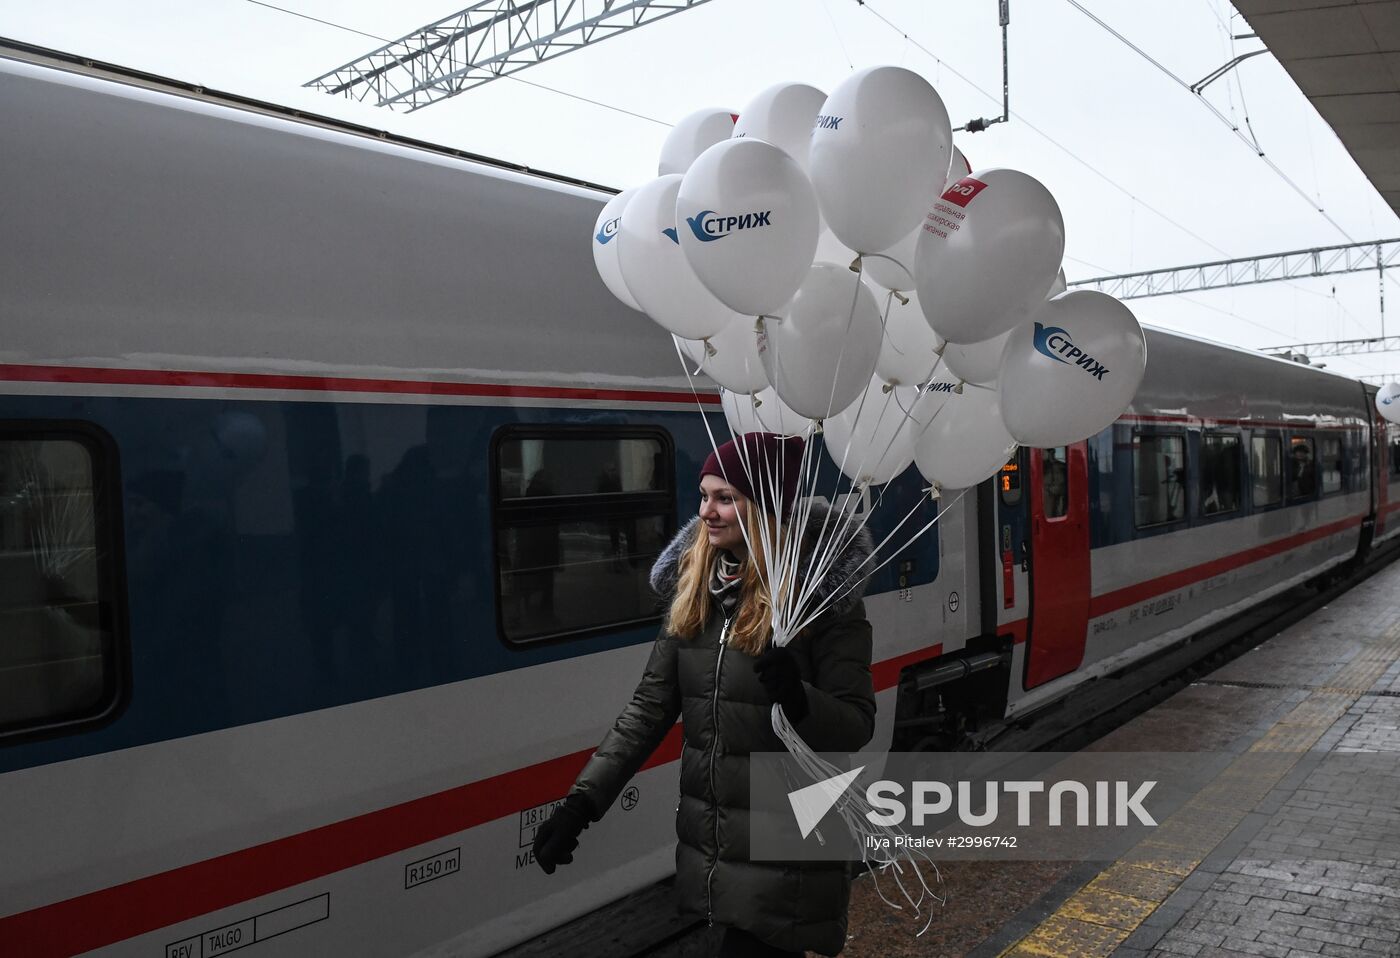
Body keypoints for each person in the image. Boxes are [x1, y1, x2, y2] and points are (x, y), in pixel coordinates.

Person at [532, 432, 875, 958]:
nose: (706, 512)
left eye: (725, 498)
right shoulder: (696, 591)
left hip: (790, 837)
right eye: (704, 495)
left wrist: (801, 699)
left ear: (761, 509)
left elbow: (855, 723)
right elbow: (648, 709)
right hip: (721, 840)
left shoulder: (821, 601)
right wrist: (582, 804)